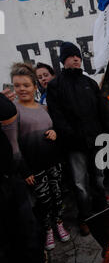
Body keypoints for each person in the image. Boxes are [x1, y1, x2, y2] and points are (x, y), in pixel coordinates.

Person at [2, 63, 69, 251]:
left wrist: (55, 133)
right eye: (17, 85)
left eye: (26, 85)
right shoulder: (13, 112)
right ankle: (48, 230)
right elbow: (13, 145)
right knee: (43, 201)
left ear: (34, 86)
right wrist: (24, 171)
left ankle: (59, 223)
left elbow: (52, 130)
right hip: (34, 168)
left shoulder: (43, 108)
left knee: (57, 197)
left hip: (53, 164)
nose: (21, 89)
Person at [47, 42, 108, 236]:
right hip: (74, 146)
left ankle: (103, 211)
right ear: (63, 60)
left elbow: (101, 112)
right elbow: (57, 118)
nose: (76, 59)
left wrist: (104, 134)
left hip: (96, 142)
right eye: (71, 56)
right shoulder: (55, 86)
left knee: (99, 179)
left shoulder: (89, 83)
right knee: (80, 185)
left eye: (78, 56)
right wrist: (75, 137)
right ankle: (86, 218)